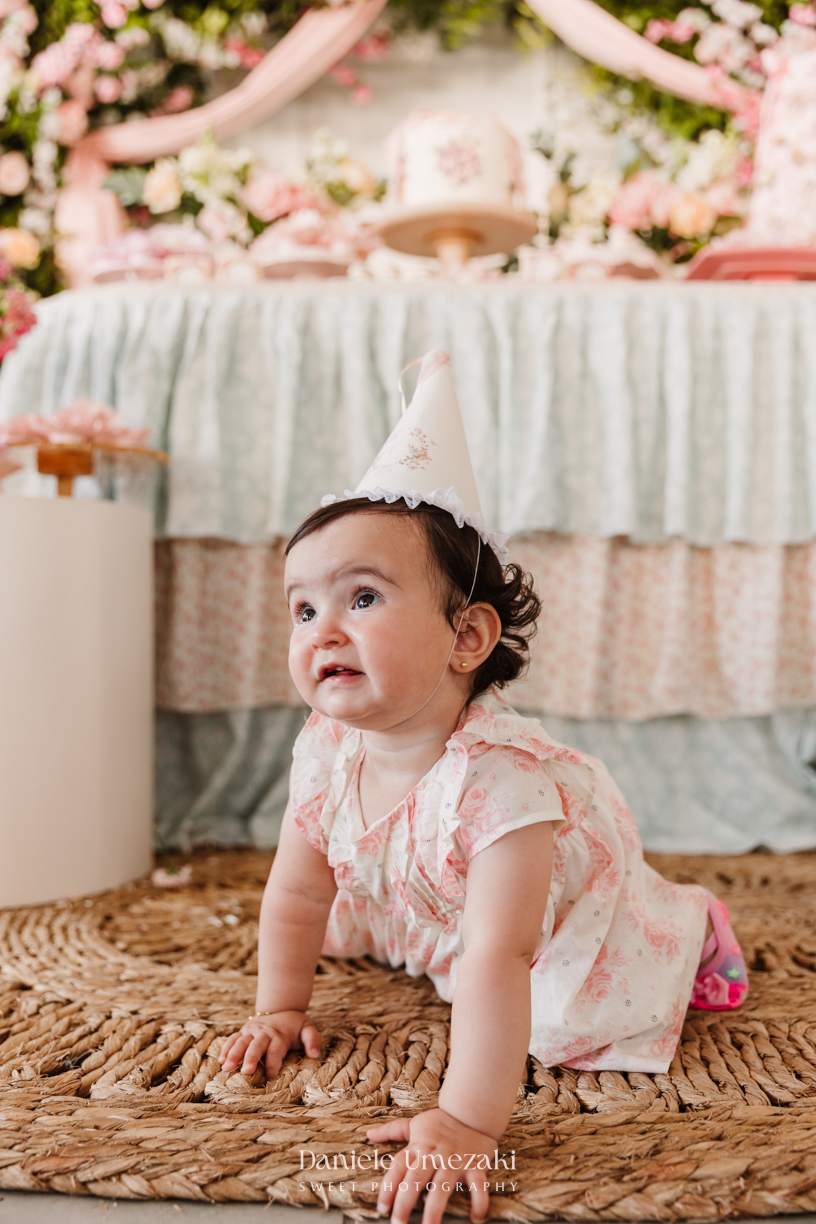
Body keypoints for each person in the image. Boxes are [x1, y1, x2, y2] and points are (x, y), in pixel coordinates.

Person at [219, 352, 748, 1224]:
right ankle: (427, 927)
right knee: (364, 924)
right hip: (453, 901)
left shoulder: (501, 784)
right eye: (304, 609)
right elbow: (297, 891)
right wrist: (279, 1008)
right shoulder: (325, 751)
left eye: (362, 598)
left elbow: (501, 956)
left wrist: (467, 1122)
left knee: (559, 1021)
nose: (323, 631)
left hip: (544, 921)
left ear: (466, 637)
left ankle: (690, 928)